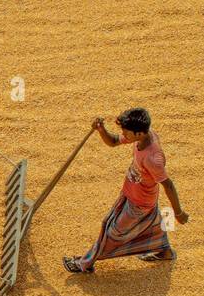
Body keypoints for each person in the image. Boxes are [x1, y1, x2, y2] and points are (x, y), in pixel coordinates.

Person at [64, 107, 189, 273]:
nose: (124, 134)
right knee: (152, 224)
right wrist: (101, 130)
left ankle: (84, 263)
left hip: (140, 203)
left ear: (139, 134)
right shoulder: (142, 136)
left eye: (126, 132)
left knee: (112, 231)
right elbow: (114, 141)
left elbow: (168, 185)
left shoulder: (153, 158)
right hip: (132, 194)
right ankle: (164, 251)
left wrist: (178, 213)